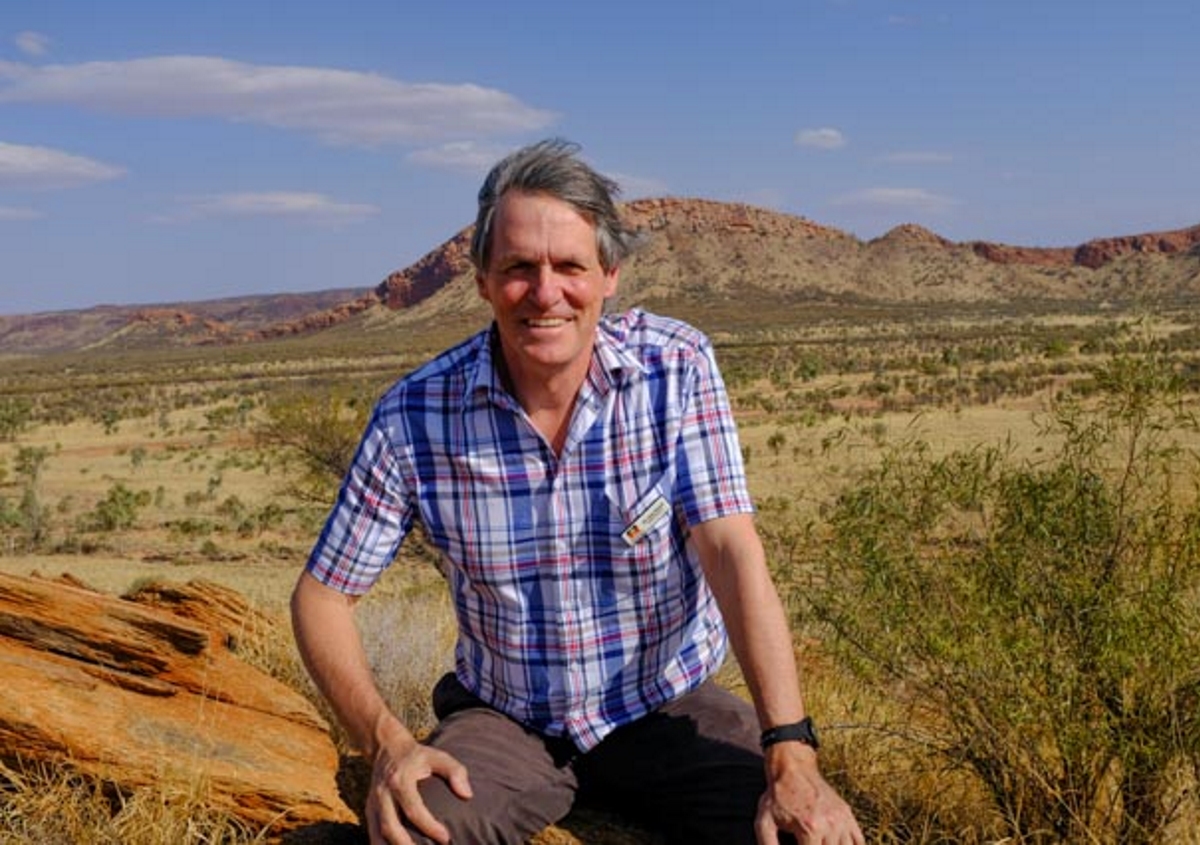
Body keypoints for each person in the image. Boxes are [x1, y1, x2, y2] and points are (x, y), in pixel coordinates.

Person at [292, 138, 864, 845]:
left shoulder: (674, 369)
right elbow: (321, 597)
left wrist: (790, 748)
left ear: (609, 275)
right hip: (508, 718)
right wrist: (387, 742)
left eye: (569, 266)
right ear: (481, 280)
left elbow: (730, 550)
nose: (545, 293)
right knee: (414, 830)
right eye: (518, 268)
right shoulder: (416, 415)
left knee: (800, 831)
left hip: (664, 705)